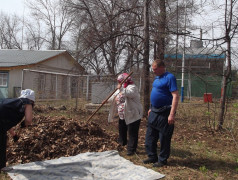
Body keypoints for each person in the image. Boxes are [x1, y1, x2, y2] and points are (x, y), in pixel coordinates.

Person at [143, 59, 179, 167]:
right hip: (154, 111)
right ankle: (152, 156)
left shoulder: (170, 77)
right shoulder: (156, 78)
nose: (153, 71)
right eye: (153, 69)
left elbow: (175, 96)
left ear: (162, 67)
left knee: (164, 137)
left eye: (155, 69)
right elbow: (155, 94)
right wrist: (150, 107)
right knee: (150, 136)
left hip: (165, 111)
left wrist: (171, 114)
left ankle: (162, 160)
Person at [106, 73, 143, 156]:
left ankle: (131, 149)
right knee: (122, 130)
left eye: (120, 81)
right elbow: (115, 95)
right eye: (118, 82)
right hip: (123, 114)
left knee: (132, 132)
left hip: (133, 114)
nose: (119, 83)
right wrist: (107, 100)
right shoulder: (121, 88)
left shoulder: (132, 87)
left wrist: (121, 88)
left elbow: (128, 93)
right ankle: (122, 143)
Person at [0, 89, 35, 171]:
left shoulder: (12, 103)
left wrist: (14, 135)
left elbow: (5, 122)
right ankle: (1, 166)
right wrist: (24, 123)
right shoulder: (27, 102)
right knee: (1, 142)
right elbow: (29, 120)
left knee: (2, 137)